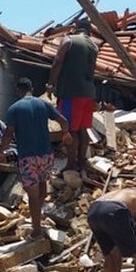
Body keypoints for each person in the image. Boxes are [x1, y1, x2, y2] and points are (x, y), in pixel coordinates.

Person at [0, 78, 71, 236]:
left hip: (28, 157)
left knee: (32, 196)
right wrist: (66, 133)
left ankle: (36, 230)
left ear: (18, 90)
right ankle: (37, 216)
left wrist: (1, 151)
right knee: (42, 188)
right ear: (32, 89)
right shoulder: (43, 104)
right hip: (46, 155)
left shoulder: (14, 108)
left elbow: (8, 133)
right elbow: (63, 120)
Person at [47, 17, 98, 172]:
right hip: (88, 93)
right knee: (83, 129)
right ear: (89, 30)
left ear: (75, 27)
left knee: (70, 130)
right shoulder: (94, 46)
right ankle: (82, 162)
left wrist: (50, 84)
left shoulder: (68, 40)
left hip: (71, 93)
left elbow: (57, 62)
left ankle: (70, 164)